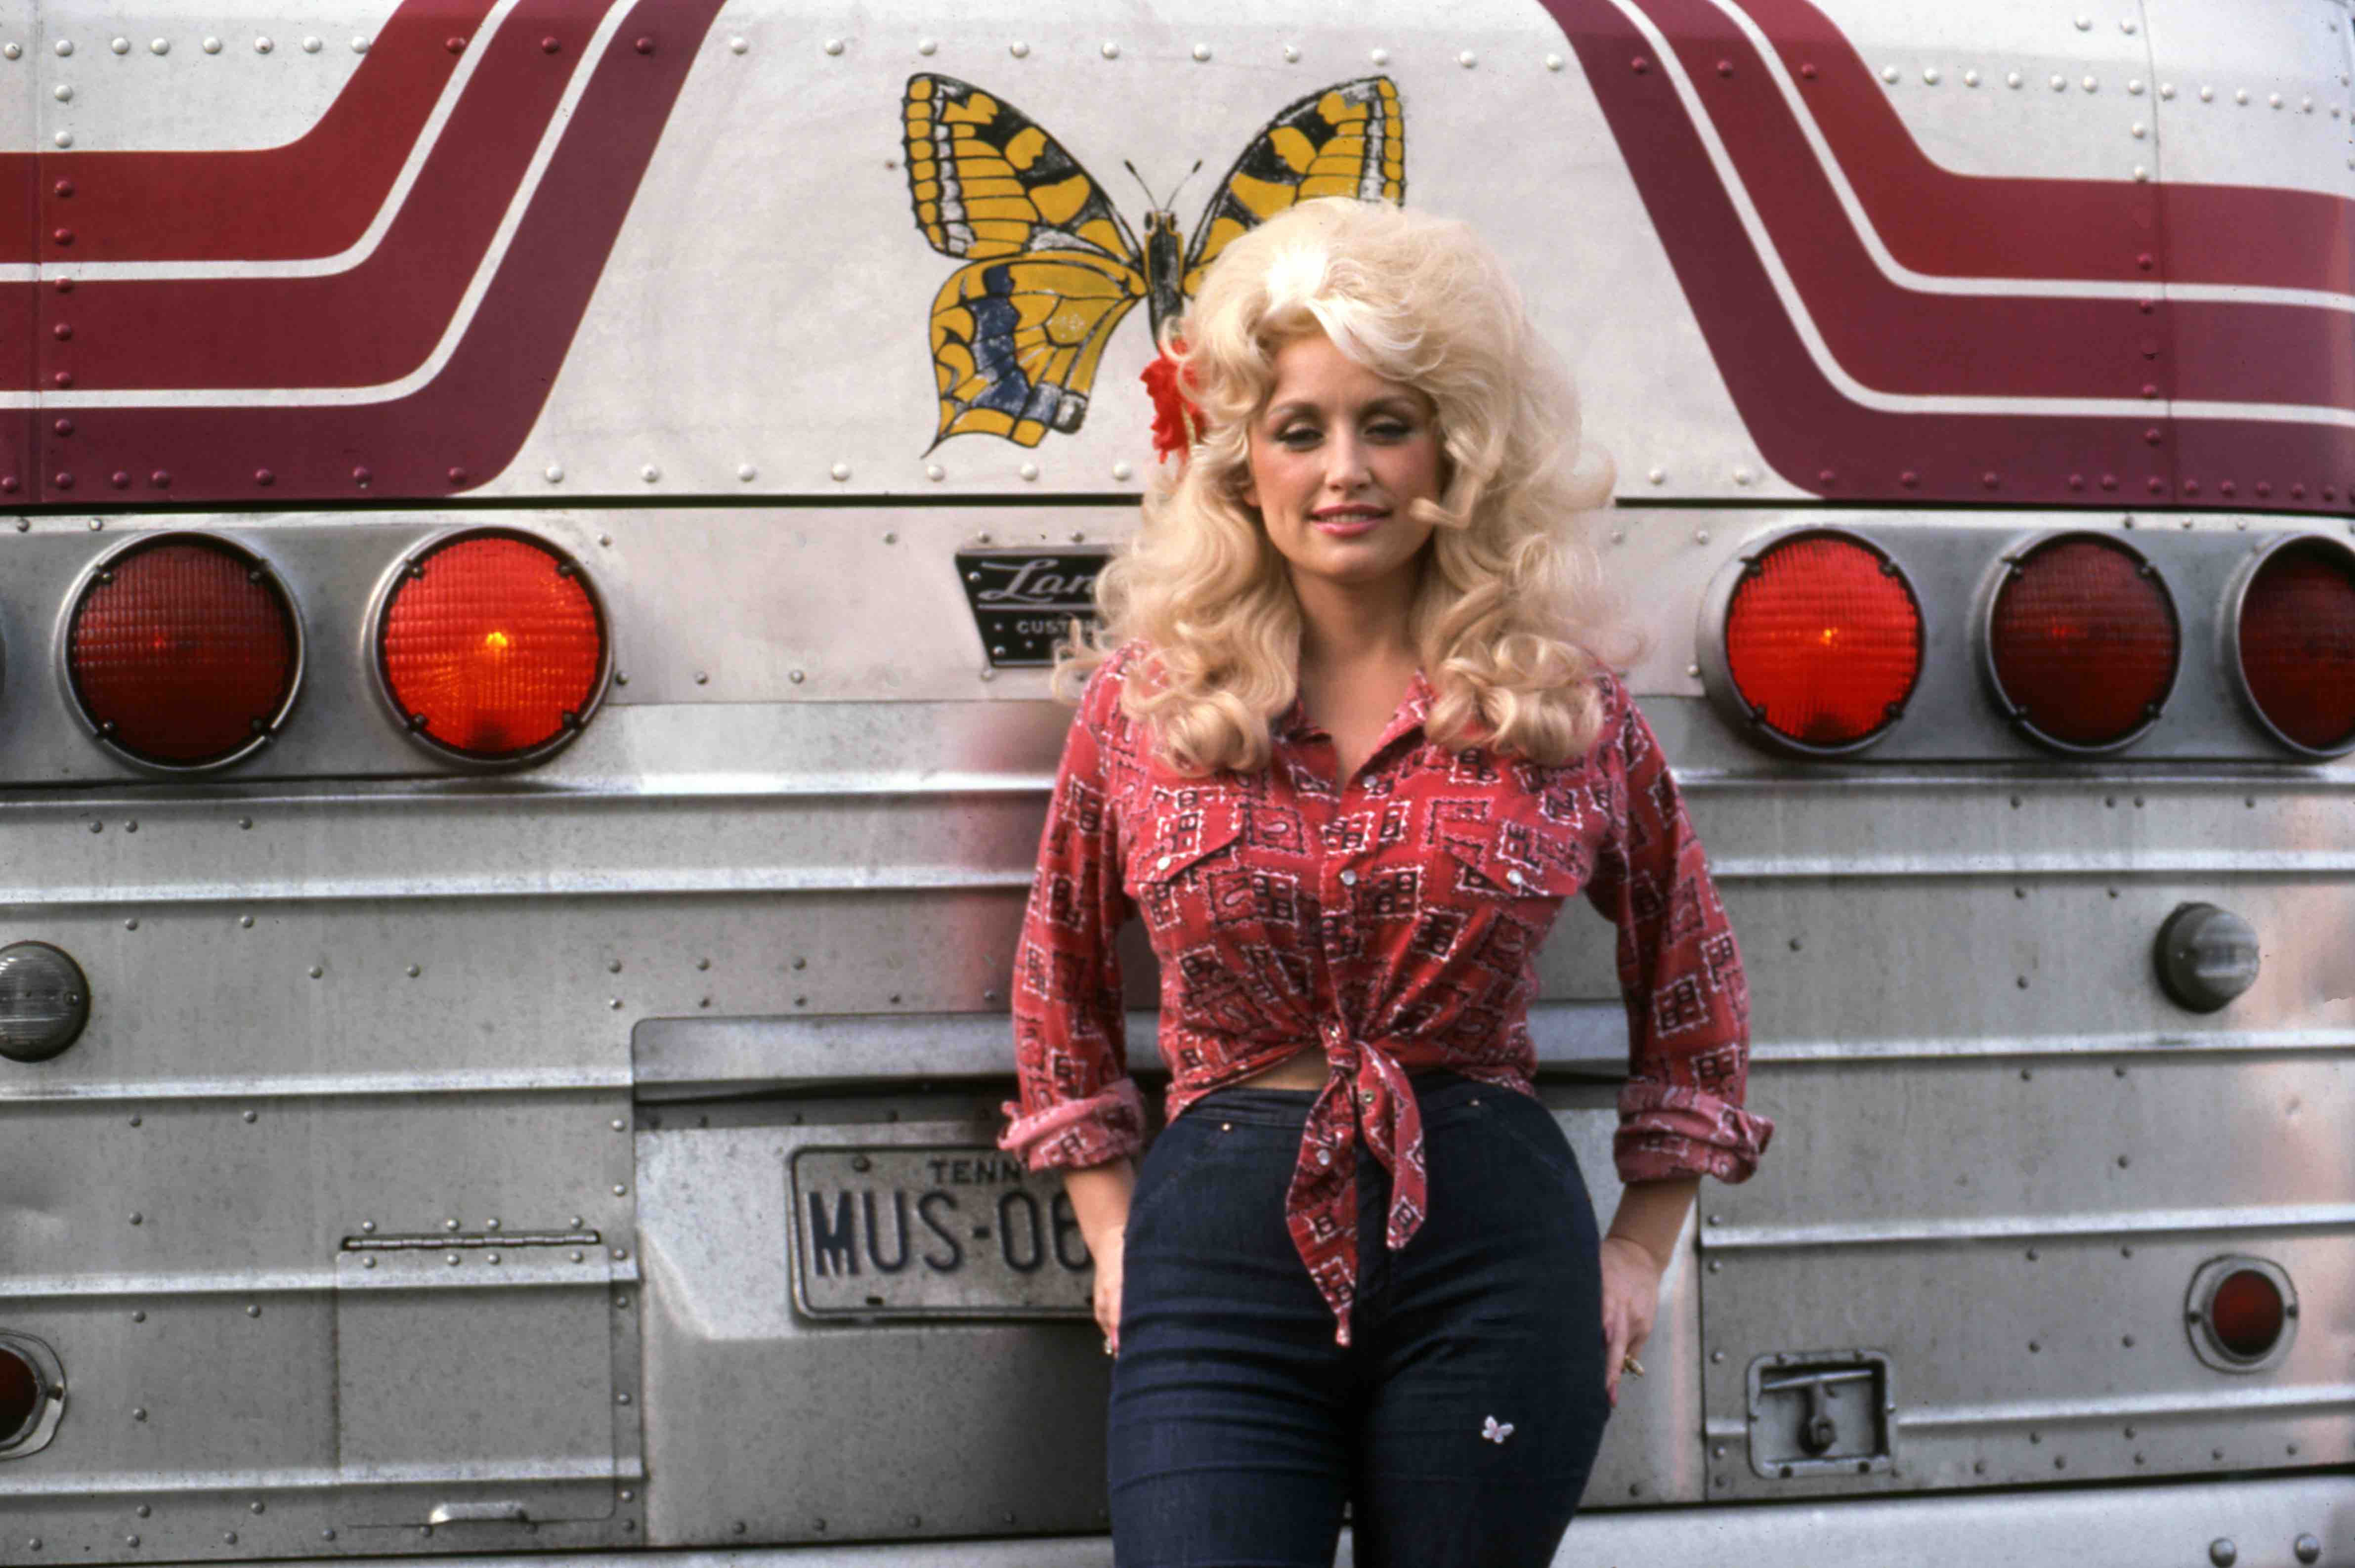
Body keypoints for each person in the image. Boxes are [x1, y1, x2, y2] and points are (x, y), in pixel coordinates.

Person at [998, 198, 1772, 1568]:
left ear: (1454, 452)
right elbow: (1057, 978)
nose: (1344, 469)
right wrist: (1114, 1237)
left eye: (1387, 423)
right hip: (1218, 1251)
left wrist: (1640, 1251)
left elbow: (1696, 996)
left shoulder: (1563, 709)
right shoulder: (1147, 704)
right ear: (1244, 458)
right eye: (1301, 429)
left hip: (1493, 1255)